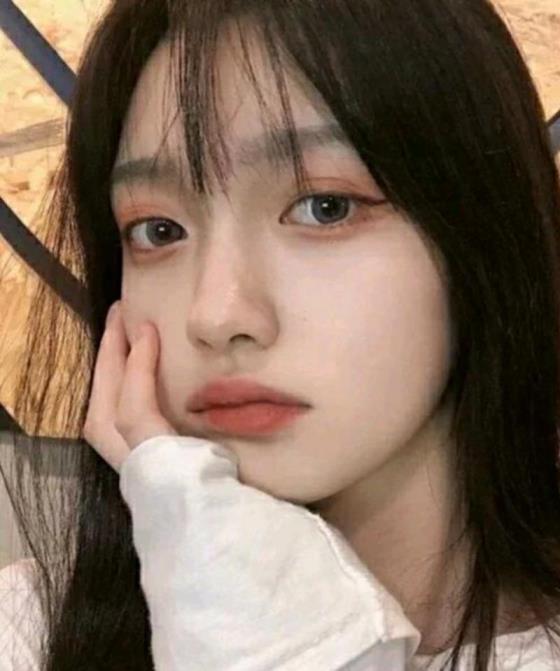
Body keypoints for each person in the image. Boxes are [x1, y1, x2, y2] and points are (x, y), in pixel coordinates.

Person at [1, 0, 560, 669]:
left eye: (325, 208)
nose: (216, 316)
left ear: (484, 231)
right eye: (158, 230)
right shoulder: (27, 630)